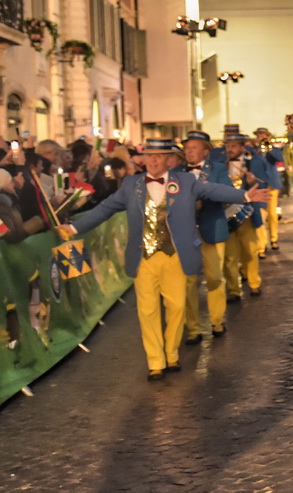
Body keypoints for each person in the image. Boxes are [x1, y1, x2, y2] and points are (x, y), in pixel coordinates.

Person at [60, 139, 266, 380]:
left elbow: (213, 190)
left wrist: (245, 195)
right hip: (143, 258)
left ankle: (171, 353)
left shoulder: (186, 181)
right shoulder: (131, 184)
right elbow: (105, 208)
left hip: (174, 255)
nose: (153, 160)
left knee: (177, 307)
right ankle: (155, 362)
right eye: (149, 155)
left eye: (159, 156)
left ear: (170, 160)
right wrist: (74, 228)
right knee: (147, 311)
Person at [180, 131, 234, 342]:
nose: (189, 151)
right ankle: (193, 329)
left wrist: (206, 198)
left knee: (214, 277)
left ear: (205, 151)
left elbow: (228, 193)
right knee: (188, 281)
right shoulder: (177, 172)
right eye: (187, 148)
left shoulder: (217, 169)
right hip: (186, 233)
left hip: (210, 228)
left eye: (193, 147)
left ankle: (217, 321)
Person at [221, 129, 269, 298]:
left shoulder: (253, 162)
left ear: (242, 147)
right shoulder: (220, 165)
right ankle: (234, 289)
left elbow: (263, 184)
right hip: (226, 215)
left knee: (250, 251)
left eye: (234, 146)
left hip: (246, 214)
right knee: (230, 256)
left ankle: (254, 283)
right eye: (228, 146)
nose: (230, 149)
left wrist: (251, 182)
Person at [254, 127, 286, 254]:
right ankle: (261, 245)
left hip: (272, 185)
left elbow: (280, 158)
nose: (261, 137)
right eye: (259, 135)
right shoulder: (254, 151)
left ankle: (274, 239)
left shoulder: (274, 149)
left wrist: (270, 147)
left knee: (273, 215)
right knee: (261, 216)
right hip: (260, 186)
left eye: (264, 135)